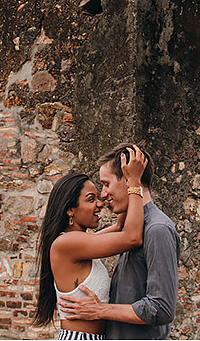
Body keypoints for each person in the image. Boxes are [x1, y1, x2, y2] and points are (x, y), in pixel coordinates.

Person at [59, 143, 181, 339]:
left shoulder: (157, 230)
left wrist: (100, 310)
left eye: (106, 184)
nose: (103, 195)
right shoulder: (130, 228)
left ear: (128, 180)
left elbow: (161, 308)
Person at [33, 146, 147, 340]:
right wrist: (135, 182)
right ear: (70, 210)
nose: (100, 203)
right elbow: (132, 237)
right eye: (91, 199)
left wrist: (123, 189)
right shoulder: (66, 243)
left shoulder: (79, 243)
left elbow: (120, 227)